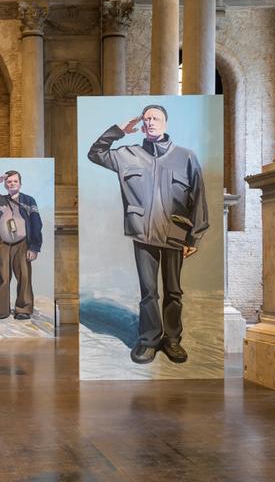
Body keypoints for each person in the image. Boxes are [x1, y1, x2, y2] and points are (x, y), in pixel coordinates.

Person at [86, 104, 208, 364]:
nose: (151, 122)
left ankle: (172, 340)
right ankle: (149, 340)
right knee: (149, 291)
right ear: (142, 125)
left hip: (175, 234)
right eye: (147, 118)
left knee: (173, 291)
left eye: (156, 118)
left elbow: (199, 198)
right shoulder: (128, 154)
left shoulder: (186, 157)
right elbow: (95, 153)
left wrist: (194, 237)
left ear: (165, 123)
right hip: (143, 234)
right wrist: (118, 131)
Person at [0, 170, 43, 320]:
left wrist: (34, 247)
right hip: (2, 243)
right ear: (5, 184)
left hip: (23, 243)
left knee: (24, 276)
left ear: (20, 184)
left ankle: (23, 310)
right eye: (9, 182)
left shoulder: (29, 200)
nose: (12, 184)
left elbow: (37, 224)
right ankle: (1, 311)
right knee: (3, 277)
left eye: (15, 181)